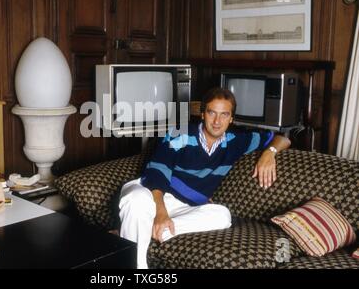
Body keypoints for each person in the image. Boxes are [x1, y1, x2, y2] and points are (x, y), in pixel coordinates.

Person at [118, 88, 291, 269]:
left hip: (184, 207)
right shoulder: (180, 134)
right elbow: (156, 174)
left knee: (222, 216)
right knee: (134, 200)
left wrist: (269, 153)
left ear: (231, 118)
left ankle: (140, 228)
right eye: (211, 113)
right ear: (202, 114)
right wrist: (160, 213)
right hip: (151, 194)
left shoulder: (236, 142)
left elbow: (283, 139)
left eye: (224, 115)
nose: (217, 121)